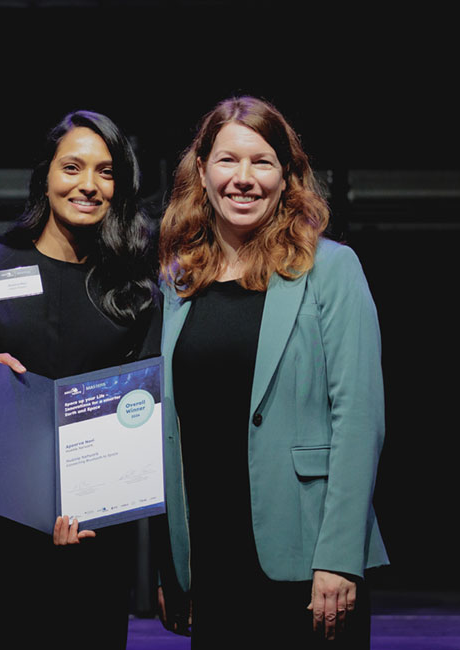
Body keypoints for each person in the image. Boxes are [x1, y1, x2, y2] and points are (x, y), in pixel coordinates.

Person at [156, 96, 388, 647]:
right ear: (202, 172)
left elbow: (358, 419)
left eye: (261, 161)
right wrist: (172, 564)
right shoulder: (178, 280)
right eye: (227, 161)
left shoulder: (330, 269)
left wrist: (338, 556)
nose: (244, 178)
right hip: (209, 558)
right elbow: (170, 428)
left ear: (287, 176)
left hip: (307, 558)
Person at [0, 110, 159, 648]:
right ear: (45, 176)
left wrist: (95, 500)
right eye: (73, 167)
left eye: (105, 172)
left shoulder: (134, 284)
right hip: (0, 522)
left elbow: (143, 400)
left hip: (97, 526)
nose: (88, 185)